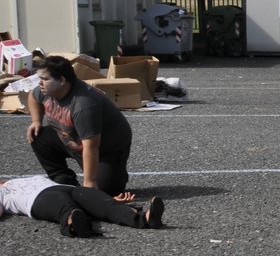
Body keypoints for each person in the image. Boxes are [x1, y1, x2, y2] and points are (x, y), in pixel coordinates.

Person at [25, 55, 134, 197]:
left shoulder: (84, 105)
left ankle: (115, 172)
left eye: (45, 79)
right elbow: (33, 97)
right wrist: (36, 121)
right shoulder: (46, 90)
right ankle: (63, 178)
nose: (40, 83)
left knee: (105, 191)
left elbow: (91, 146)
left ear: (62, 80)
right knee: (37, 135)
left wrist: (89, 182)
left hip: (105, 150)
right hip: (72, 140)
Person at [1, 174, 163, 236]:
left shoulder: (16, 180)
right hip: (37, 199)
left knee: (105, 203)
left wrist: (108, 198)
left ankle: (146, 218)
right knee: (64, 207)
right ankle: (75, 224)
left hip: (69, 190)